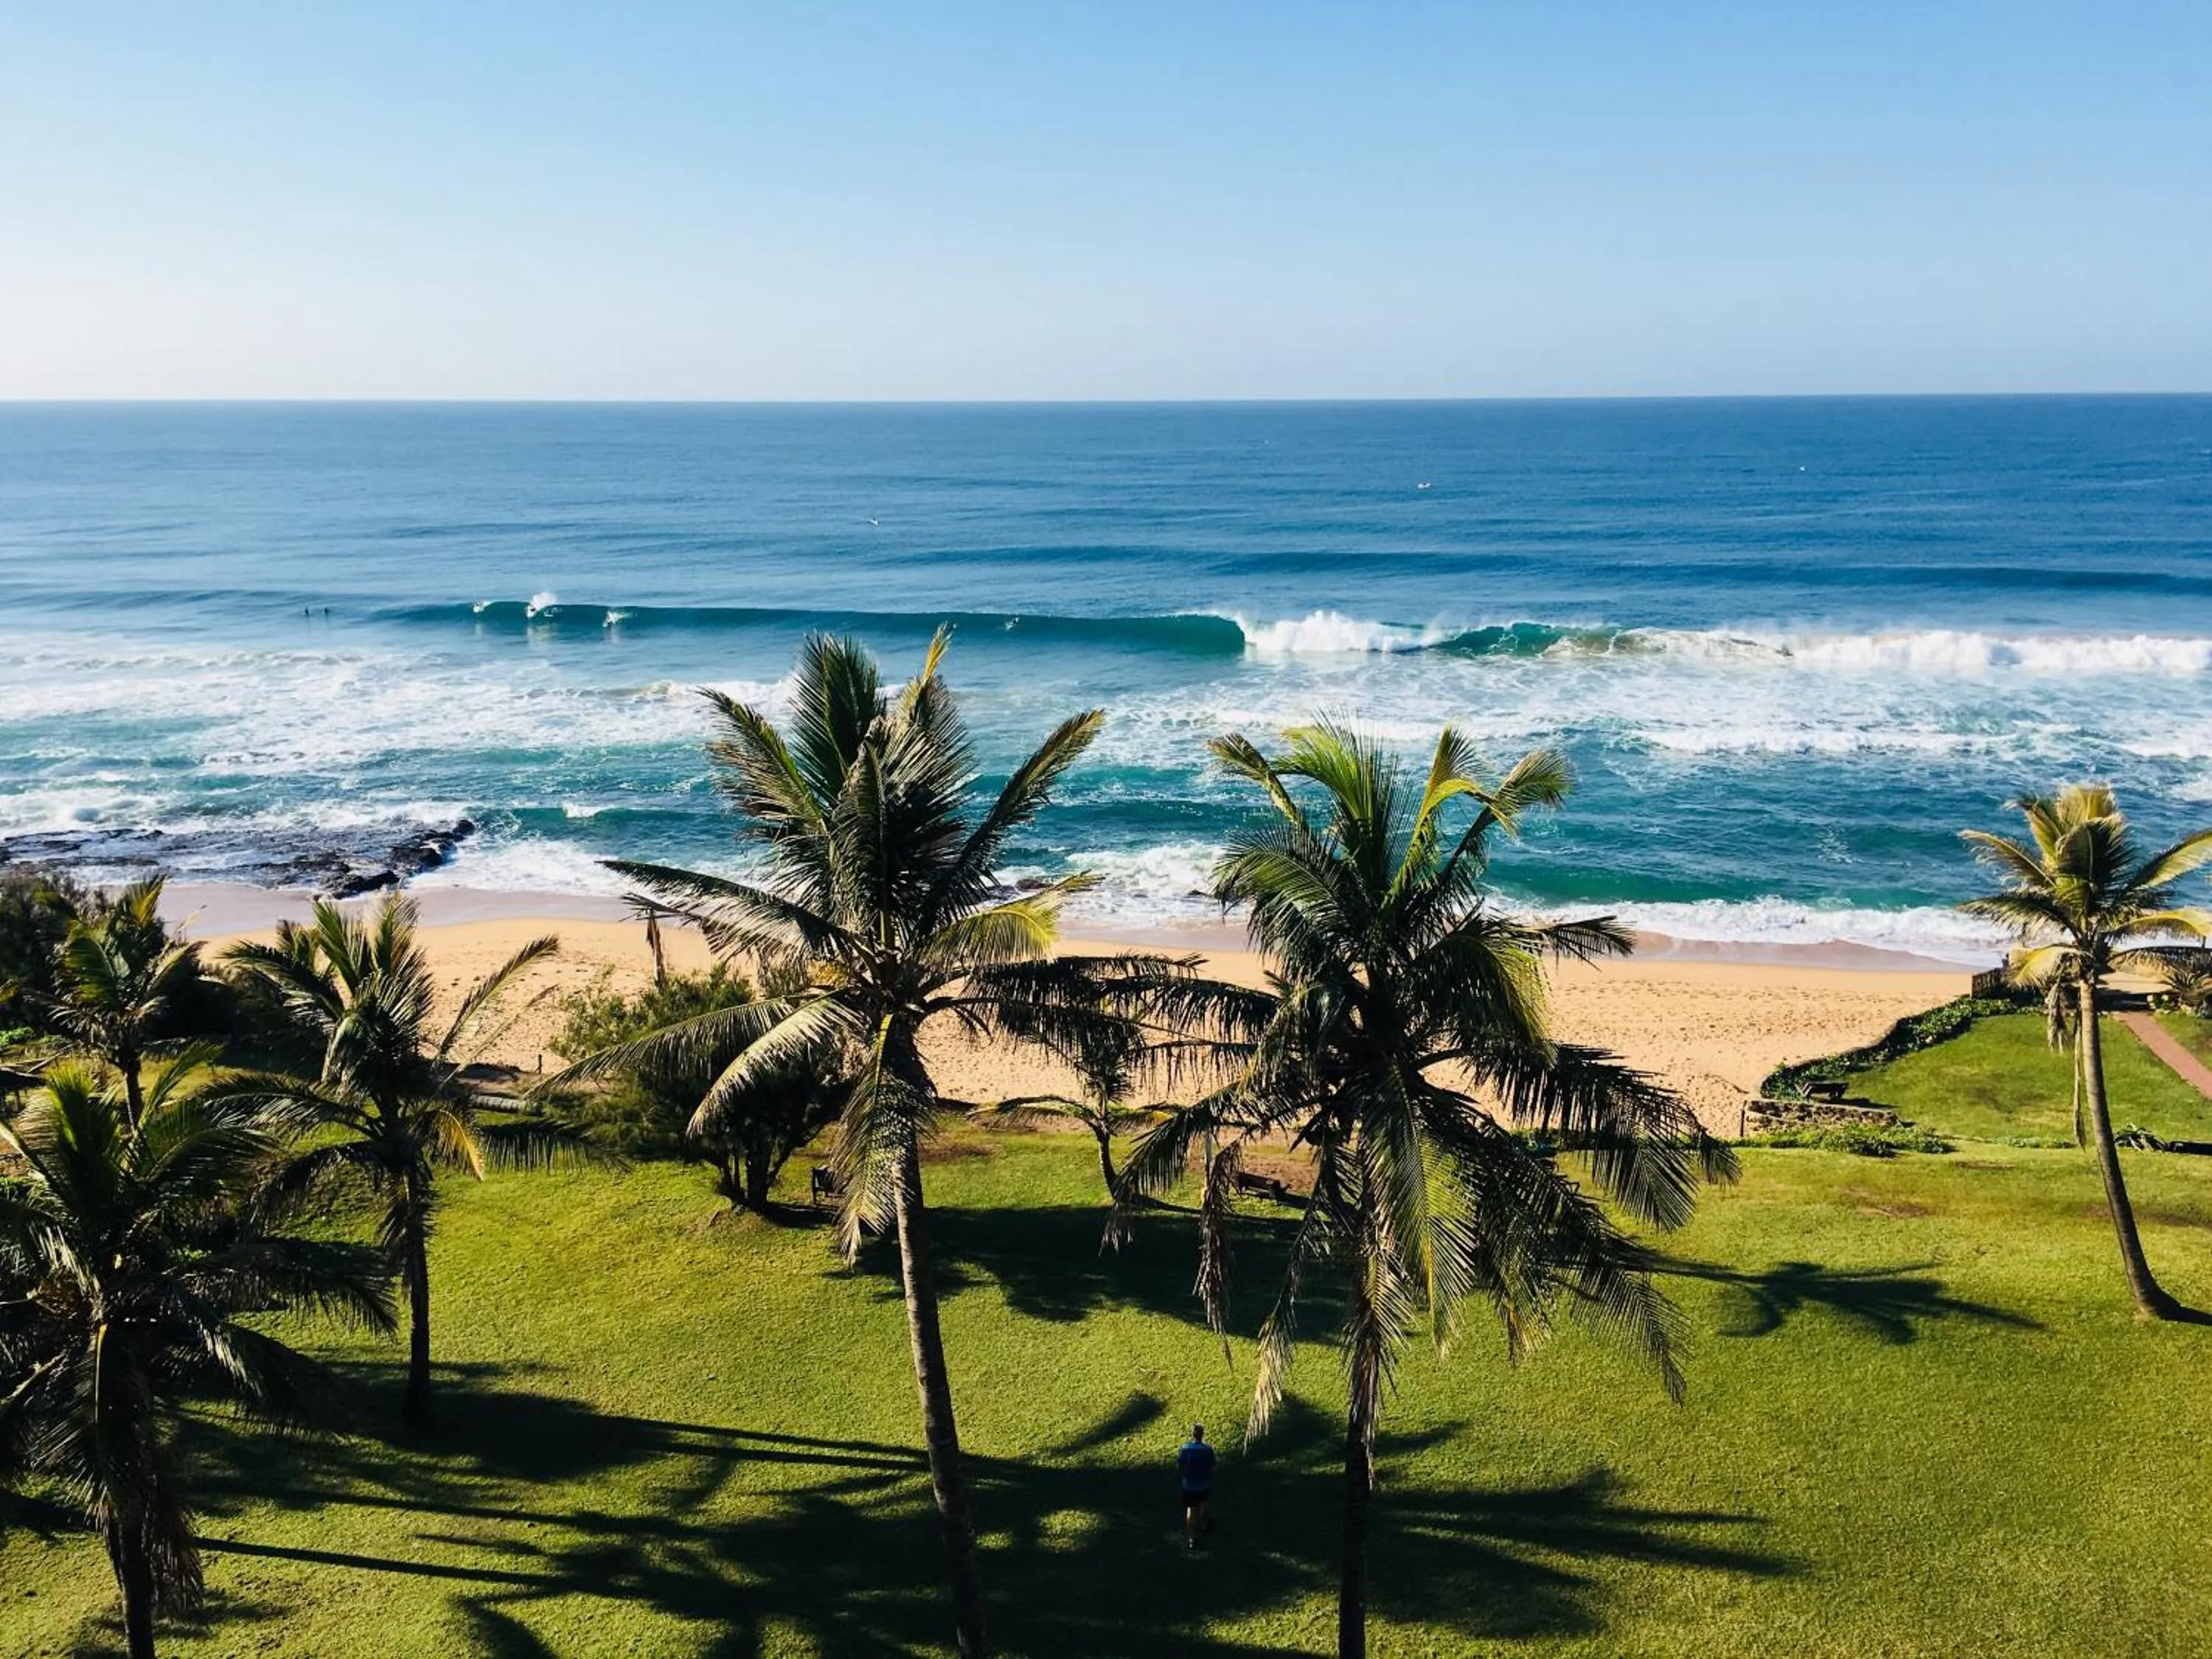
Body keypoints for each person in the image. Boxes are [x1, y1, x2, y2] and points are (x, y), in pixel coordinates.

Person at [1177, 1423, 1216, 1548]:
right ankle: (1204, 1525)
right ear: (1202, 1435)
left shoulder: (1185, 1449)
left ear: (1192, 1435)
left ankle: (1191, 1538)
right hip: (1204, 1484)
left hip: (1189, 1486)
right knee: (1204, 1504)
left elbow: (1180, 1466)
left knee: (1191, 1510)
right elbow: (1213, 1465)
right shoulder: (1207, 1449)